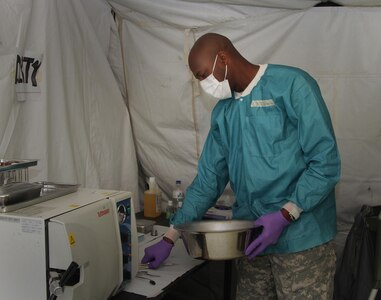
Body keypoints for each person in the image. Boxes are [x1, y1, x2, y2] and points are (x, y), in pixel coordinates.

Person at [141, 33, 340, 299]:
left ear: (222, 57)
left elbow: (325, 163)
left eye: (203, 75)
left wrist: (284, 215)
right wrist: (171, 235)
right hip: (252, 239)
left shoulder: (292, 86)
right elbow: (208, 180)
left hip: (301, 241)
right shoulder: (224, 112)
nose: (203, 84)